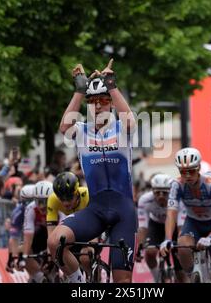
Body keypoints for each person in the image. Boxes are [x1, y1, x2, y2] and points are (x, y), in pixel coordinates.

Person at [48, 58, 137, 283]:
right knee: (55, 242)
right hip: (95, 210)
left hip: (122, 212)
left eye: (104, 101)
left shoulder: (121, 128)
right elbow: (64, 127)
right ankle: (79, 282)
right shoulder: (82, 131)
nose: (98, 106)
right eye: (93, 101)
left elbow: (130, 121)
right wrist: (80, 89)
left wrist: (111, 85)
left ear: (111, 104)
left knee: (123, 282)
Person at [160, 147, 211, 283]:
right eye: (183, 172)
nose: (187, 176)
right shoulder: (176, 185)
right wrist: (167, 238)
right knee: (182, 245)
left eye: (191, 171)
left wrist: (210, 238)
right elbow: (171, 214)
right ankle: (193, 276)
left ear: (198, 168)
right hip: (193, 223)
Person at [136, 173, 187, 283]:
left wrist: (180, 245)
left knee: (181, 273)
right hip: (156, 225)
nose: (160, 196)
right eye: (157, 192)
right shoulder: (144, 200)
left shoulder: (179, 200)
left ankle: (179, 272)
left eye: (164, 192)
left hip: (175, 225)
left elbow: (181, 227)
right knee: (149, 253)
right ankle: (157, 280)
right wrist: (139, 248)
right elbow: (142, 227)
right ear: (152, 190)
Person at [47, 172, 92, 278]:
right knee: (59, 254)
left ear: (77, 192)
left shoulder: (87, 195)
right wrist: (50, 255)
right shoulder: (53, 199)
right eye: (62, 199)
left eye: (69, 197)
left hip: (92, 228)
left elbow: (96, 225)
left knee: (85, 257)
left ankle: (93, 278)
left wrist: (89, 245)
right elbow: (51, 232)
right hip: (74, 230)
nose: (66, 203)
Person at [20, 180, 53, 283]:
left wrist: (50, 256)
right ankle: (39, 276)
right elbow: (27, 237)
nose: (42, 206)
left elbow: (53, 236)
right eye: (39, 201)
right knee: (21, 248)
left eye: (45, 201)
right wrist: (24, 257)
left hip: (54, 232)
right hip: (41, 234)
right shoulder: (31, 208)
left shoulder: (57, 206)